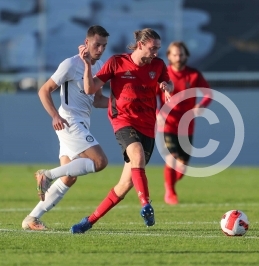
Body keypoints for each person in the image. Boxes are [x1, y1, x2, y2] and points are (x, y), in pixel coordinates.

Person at [70, 28, 173, 234]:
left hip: (148, 125)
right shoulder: (116, 62)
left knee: (125, 184)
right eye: (152, 49)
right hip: (123, 121)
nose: (156, 53)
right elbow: (90, 89)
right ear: (141, 45)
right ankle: (146, 204)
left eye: (158, 49)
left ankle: (89, 221)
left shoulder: (158, 65)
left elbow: (167, 81)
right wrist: (87, 65)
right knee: (137, 155)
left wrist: (167, 86)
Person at [22, 25, 110, 230]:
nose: (100, 49)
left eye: (104, 46)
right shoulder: (70, 64)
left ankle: (31, 219)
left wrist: (122, 102)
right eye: (97, 44)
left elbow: (97, 100)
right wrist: (54, 115)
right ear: (86, 42)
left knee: (69, 177)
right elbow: (44, 90)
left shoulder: (100, 66)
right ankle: (47, 175)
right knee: (100, 161)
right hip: (69, 121)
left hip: (81, 123)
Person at [157, 41, 212, 205]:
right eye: (174, 54)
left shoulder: (193, 75)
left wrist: (201, 105)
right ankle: (170, 192)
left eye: (181, 54)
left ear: (186, 55)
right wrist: (157, 113)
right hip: (167, 124)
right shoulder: (163, 75)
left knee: (182, 168)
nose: (178, 57)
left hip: (187, 126)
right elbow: (151, 97)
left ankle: (170, 184)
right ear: (169, 56)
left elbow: (208, 93)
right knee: (171, 160)